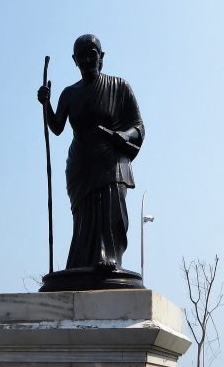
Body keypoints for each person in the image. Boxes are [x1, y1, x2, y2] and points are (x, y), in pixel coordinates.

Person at [37, 35, 145, 272]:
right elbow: (56, 128)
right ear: (74, 60)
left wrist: (123, 136)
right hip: (81, 164)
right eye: (81, 56)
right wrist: (47, 105)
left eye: (92, 53)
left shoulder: (120, 87)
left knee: (112, 212)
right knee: (84, 218)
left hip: (111, 160)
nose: (87, 59)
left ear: (101, 56)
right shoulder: (69, 93)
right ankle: (83, 263)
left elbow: (138, 126)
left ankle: (109, 256)